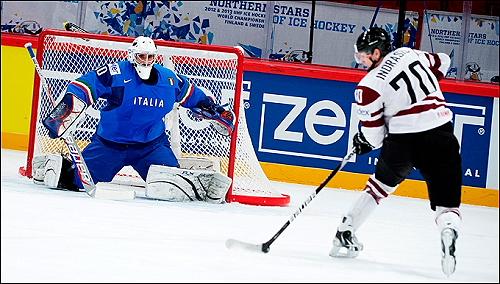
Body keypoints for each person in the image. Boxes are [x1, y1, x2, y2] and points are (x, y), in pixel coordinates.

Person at [32, 36, 235, 203]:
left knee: (171, 187)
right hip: (109, 146)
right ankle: (51, 166)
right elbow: (83, 87)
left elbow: (195, 97)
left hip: (151, 147)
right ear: (132, 56)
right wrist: (64, 113)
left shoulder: (169, 80)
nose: (145, 61)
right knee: (75, 181)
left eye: (150, 57)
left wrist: (215, 111)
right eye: (141, 56)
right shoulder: (116, 73)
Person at [329, 27, 462, 277]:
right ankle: (448, 229)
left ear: (377, 53)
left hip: (403, 141)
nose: (360, 61)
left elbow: (375, 137)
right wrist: (424, 92)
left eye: (363, 56)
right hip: (441, 132)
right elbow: (443, 61)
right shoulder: (408, 53)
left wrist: (362, 141)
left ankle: (345, 231)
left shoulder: (368, 85)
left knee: (378, 187)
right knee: (448, 205)